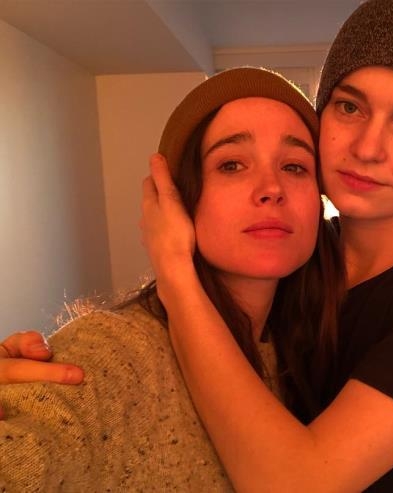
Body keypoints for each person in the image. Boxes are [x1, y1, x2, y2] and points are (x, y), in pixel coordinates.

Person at [3, 0, 393, 490]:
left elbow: (298, 482)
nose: (367, 148)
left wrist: (174, 272)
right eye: (349, 107)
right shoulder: (293, 263)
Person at [0, 66, 343, 491]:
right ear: (177, 200)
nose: (272, 187)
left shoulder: (314, 346)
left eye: (294, 166)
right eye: (232, 164)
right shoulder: (112, 351)